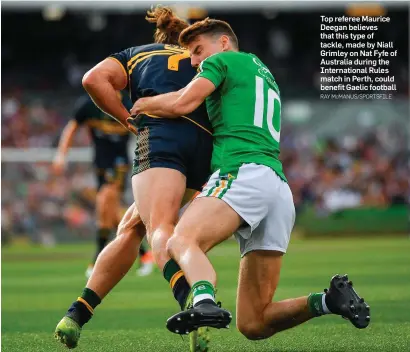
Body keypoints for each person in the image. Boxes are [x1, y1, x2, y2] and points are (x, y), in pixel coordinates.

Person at [131, 18, 371, 340]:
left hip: (243, 172)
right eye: (191, 55)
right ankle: (329, 301)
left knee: (179, 239)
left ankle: (202, 301)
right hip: (277, 188)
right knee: (253, 322)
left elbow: (182, 103)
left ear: (224, 43)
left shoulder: (221, 61)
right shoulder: (263, 73)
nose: (194, 61)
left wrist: (145, 103)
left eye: (198, 50)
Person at [54, 7, 213, 351]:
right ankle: (77, 313)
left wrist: (127, 118)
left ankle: (192, 304)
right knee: (131, 226)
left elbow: (92, 80)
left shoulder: (136, 55)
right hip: (205, 145)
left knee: (159, 228)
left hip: (161, 140)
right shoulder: (205, 56)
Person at [53, 93, 154, 278]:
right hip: (99, 165)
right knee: (112, 212)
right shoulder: (89, 105)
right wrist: (61, 155)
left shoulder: (128, 104)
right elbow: (72, 127)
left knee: (104, 202)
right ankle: (145, 253)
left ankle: (97, 257)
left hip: (119, 164)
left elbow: (148, 130)